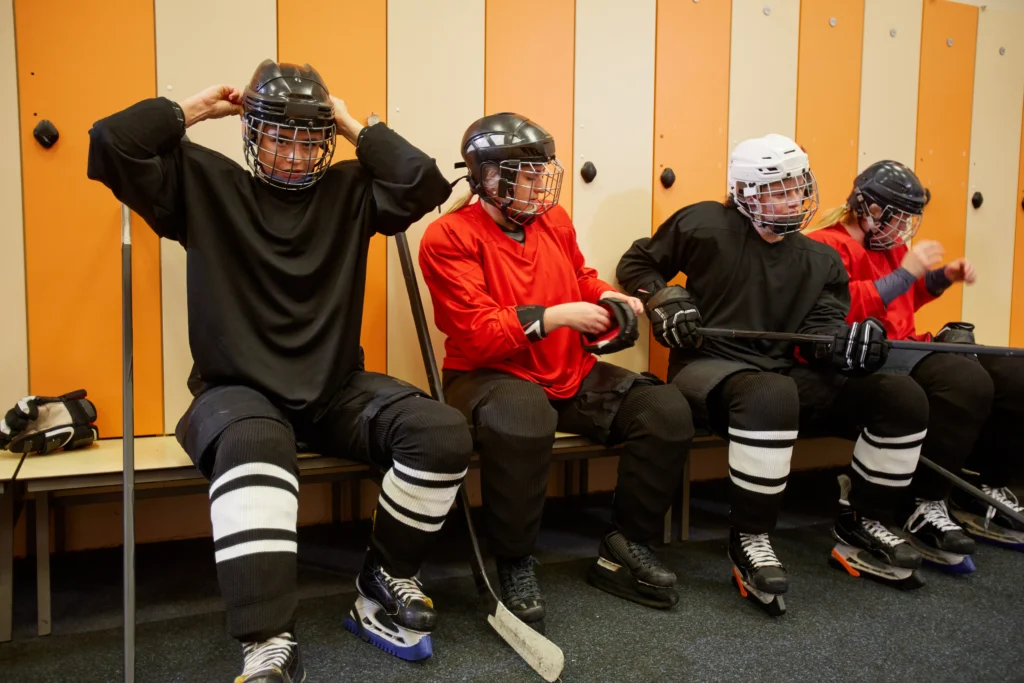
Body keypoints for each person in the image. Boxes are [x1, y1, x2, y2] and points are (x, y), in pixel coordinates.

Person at [87, 60, 473, 682]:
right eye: (279, 137)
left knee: (441, 430)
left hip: (334, 389)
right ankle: (268, 641)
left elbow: (421, 182)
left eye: (308, 140)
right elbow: (111, 142)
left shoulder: (352, 192)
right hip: (236, 390)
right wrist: (196, 109)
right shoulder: (202, 183)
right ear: (252, 133)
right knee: (255, 441)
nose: (294, 155)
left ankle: (385, 575)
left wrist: (347, 121)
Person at [616, 134, 932, 617]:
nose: (793, 198)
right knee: (772, 393)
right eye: (778, 189)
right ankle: (750, 536)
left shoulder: (819, 259)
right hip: (708, 370)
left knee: (900, 394)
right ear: (744, 191)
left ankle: (864, 520)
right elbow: (636, 264)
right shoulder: (704, 223)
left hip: (779, 375)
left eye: (797, 186)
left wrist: (847, 344)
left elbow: (819, 331)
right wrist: (662, 298)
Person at [418, 113, 694, 634]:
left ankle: (624, 545)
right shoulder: (447, 236)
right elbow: (477, 333)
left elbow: (580, 276)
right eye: (525, 174)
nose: (538, 183)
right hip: (488, 374)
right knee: (524, 414)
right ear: (488, 177)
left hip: (567, 367)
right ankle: (515, 561)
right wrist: (554, 317)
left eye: (541, 171)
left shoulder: (554, 220)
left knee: (664, 408)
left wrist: (607, 296)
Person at [809, 160, 1024, 560]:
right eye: (898, 217)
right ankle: (923, 502)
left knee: (1013, 373)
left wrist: (940, 278)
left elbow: (903, 300)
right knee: (964, 381)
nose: (902, 228)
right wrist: (905, 274)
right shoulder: (825, 246)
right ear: (870, 209)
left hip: (910, 345)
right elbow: (842, 309)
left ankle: (979, 485)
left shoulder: (891, 247)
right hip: (871, 355)